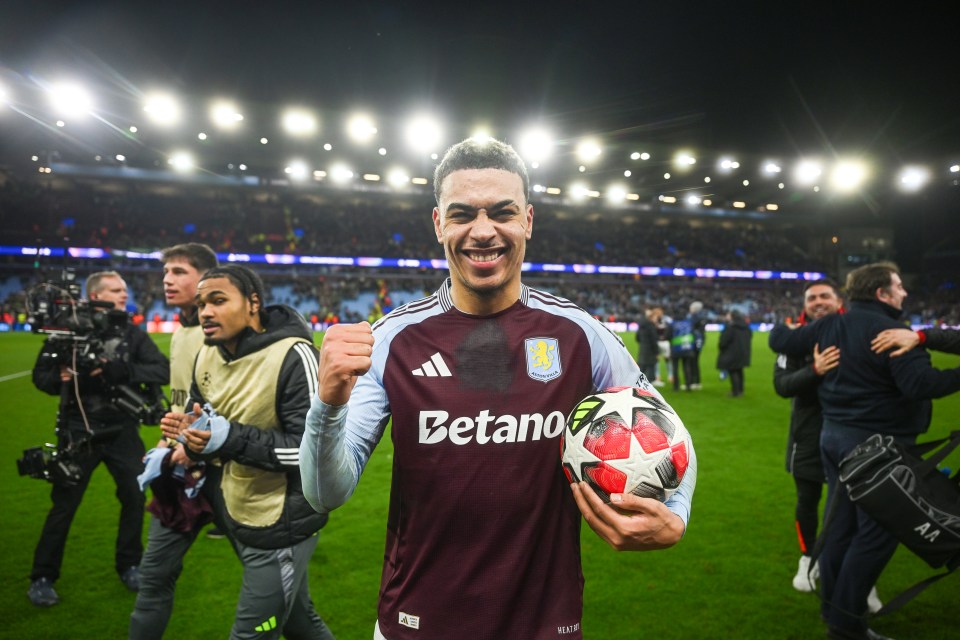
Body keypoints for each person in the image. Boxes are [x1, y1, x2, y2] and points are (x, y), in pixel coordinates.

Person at [300, 138, 697, 640]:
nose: (483, 231)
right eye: (463, 213)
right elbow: (324, 493)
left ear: (527, 221)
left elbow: (669, 430)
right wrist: (328, 403)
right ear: (439, 223)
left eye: (502, 213)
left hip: (545, 625)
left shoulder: (580, 334)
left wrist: (676, 514)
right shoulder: (391, 341)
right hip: (415, 624)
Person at [769, 261, 960, 640]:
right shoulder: (891, 332)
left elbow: (781, 341)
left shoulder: (829, 325)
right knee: (875, 536)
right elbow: (920, 385)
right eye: (899, 285)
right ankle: (845, 625)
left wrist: (785, 324)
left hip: (835, 439)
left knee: (840, 528)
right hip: (879, 449)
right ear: (882, 294)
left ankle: (832, 609)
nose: (904, 292)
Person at [160, 265, 333, 640]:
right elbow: (200, 417)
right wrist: (187, 438)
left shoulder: (294, 355)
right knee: (299, 622)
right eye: (202, 303)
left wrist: (227, 439)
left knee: (253, 633)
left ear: (253, 303)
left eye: (218, 300)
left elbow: (312, 453)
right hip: (235, 507)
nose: (205, 311)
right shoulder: (207, 355)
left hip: (281, 522)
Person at [28, 271, 170, 607]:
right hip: (79, 429)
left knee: (135, 498)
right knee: (64, 506)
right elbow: (41, 376)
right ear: (95, 296)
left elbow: (162, 370)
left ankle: (130, 564)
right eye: (116, 289)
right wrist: (60, 377)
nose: (125, 294)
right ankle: (42, 576)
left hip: (122, 429)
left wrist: (124, 372)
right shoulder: (68, 329)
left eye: (125, 288)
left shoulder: (131, 333)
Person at [130, 242, 224, 638]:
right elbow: (181, 398)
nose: (167, 280)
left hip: (230, 472)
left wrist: (201, 439)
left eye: (179, 272)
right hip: (181, 468)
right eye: (166, 272)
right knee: (153, 579)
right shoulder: (180, 333)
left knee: (289, 603)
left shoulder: (227, 332)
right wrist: (169, 441)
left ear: (205, 279)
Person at [772, 278, 843, 592]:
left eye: (824, 296)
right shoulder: (793, 340)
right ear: (804, 305)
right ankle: (807, 558)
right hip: (808, 435)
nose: (818, 302)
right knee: (808, 500)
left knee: (853, 505)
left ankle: (851, 569)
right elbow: (782, 385)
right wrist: (814, 371)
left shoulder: (852, 332)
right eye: (812, 298)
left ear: (838, 300)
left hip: (852, 433)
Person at [716, 309, 752, 397]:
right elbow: (750, 337)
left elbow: (723, 341)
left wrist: (722, 347)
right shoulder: (746, 327)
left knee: (733, 371)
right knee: (739, 370)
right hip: (743, 352)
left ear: (732, 316)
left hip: (731, 353)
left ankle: (735, 392)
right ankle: (740, 390)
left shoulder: (730, 327)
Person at [635, 306, 660, 384]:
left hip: (642, 349)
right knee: (650, 368)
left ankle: (639, 384)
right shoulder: (651, 326)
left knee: (642, 368)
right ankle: (648, 385)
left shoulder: (641, 326)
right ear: (651, 318)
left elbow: (637, 338)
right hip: (650, 351)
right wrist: (657, 352)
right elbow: (654, 340)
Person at [687, 300, 708, 389]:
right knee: (695, 361)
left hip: (694, 341)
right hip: (700, 341)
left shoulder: (694, 317)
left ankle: (693, 382)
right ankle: (697, 382)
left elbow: (690, 327)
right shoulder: (703, 316)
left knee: (692, 361)